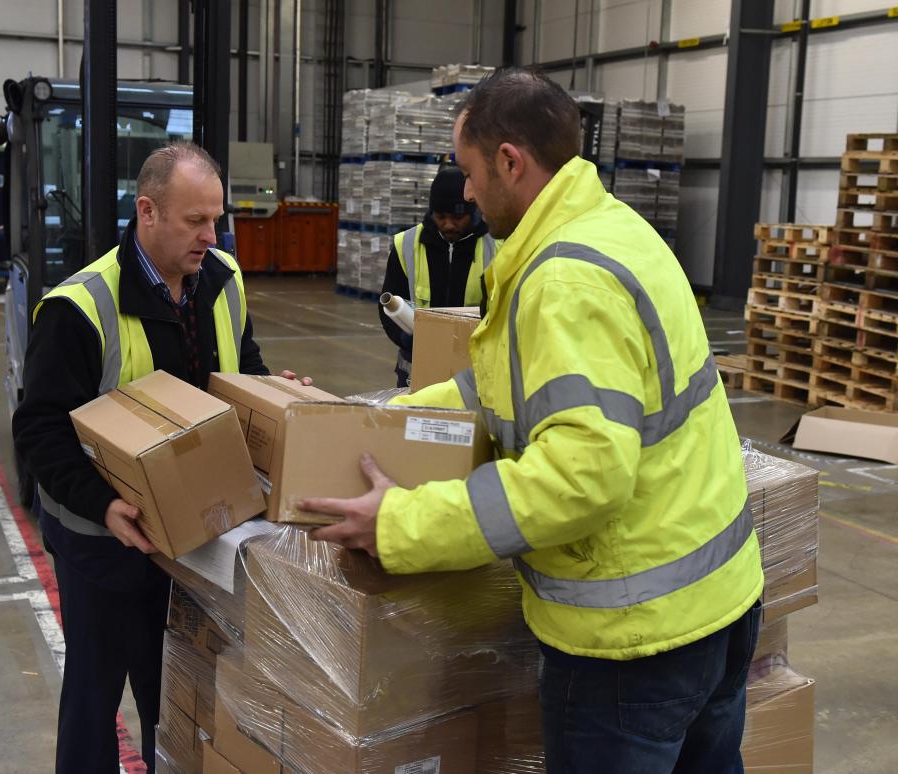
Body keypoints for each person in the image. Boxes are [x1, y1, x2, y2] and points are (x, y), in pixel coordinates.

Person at [300, 68, 764, 774]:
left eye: (469, 171)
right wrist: (385, 420)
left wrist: (400, 526)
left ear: (510, 162)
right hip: (716, 605)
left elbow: (582, 478)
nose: (464, 192)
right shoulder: (611, 229)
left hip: (633, 643)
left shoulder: (563, 279)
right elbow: (508, 383)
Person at [13, 143, 308, 774]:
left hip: (201, 537)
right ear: (147, 212)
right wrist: (104, 505)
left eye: (217, 218)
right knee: (94, 698)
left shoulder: (223, 280)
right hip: (106, 543)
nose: (213, 234)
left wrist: (272, 395)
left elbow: (241, 370)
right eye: (195, 221)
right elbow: (39, 430)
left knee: (171, 696)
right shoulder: (80, 307)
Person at [379, 165, 497, 387]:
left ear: (473, 212)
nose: (449, 224)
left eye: (458, 217)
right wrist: (407, 340)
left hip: (474, 371)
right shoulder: (406, 245)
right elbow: (388, 306)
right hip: (415, 368)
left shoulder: (497, 247)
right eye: (441, 217)